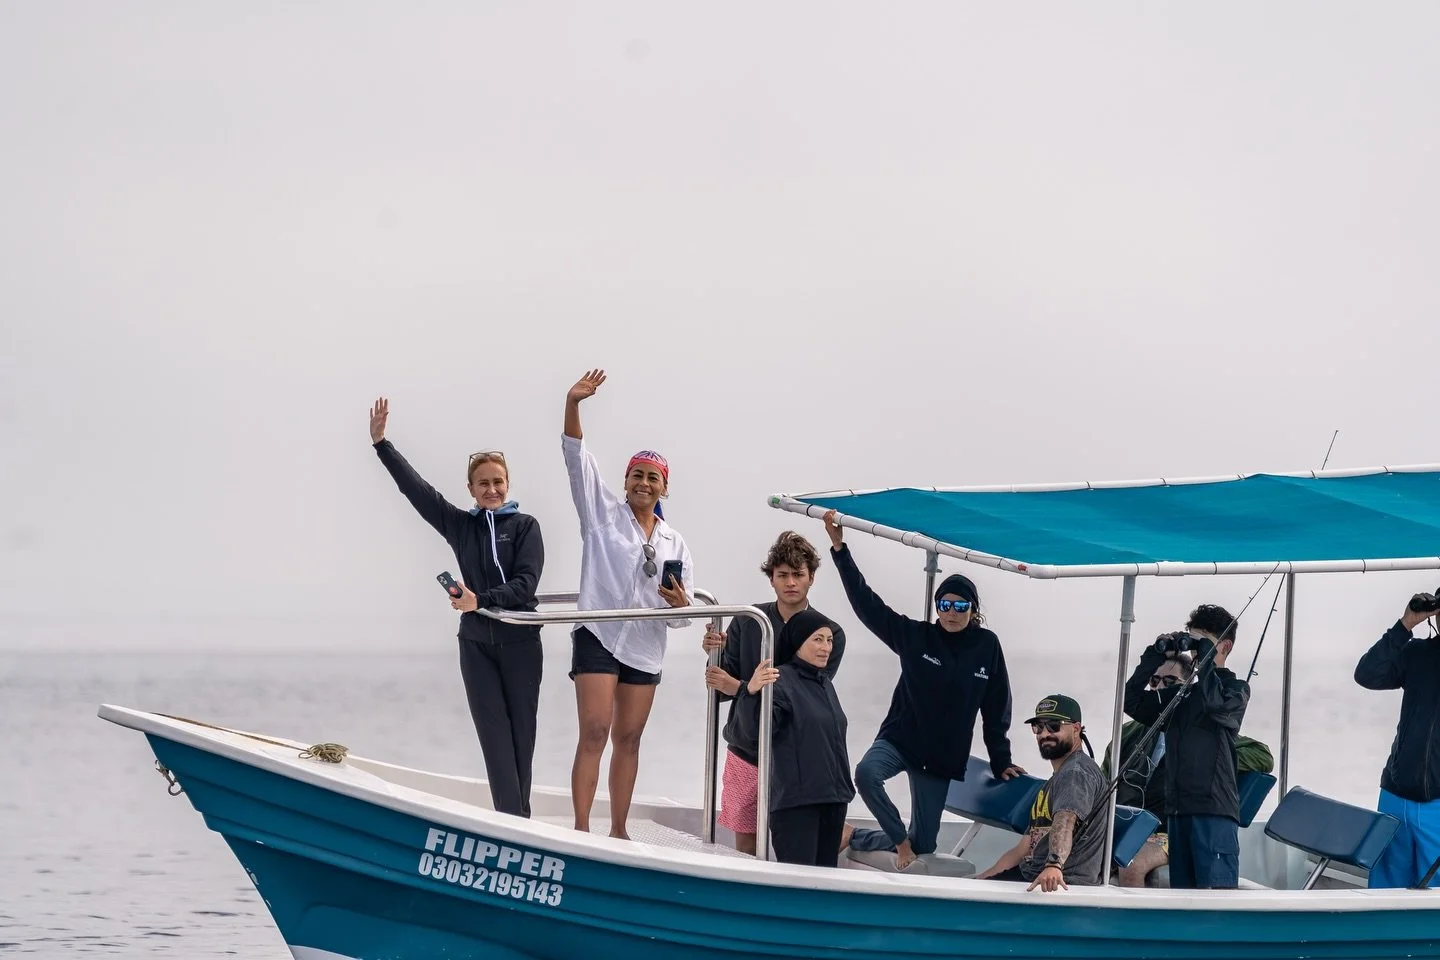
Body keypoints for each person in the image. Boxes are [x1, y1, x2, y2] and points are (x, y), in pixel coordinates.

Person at [368, 397, 544, 818]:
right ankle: (514, 822)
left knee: (522, 738)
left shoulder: (525, 527)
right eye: (483, 483)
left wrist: (480, 600)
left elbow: (526, 584)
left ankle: (521, 821)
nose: (492, 489)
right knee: (495, 739)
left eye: (498, 481)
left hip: (521, 644)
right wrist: (382, 445)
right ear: (471, 489)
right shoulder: (460, 526)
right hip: (477, 645)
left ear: (508, 483)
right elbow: (417, 491)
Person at [821, 510, 1024, 871]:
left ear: (973, 610)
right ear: (937, 607)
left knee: (926, 843)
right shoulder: (917, 637)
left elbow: (996, 709)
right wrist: (840, 549)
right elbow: (868, 605)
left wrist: (1001, 761)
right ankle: (899, 841)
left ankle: (853, 835)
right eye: (944, 604)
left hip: (941, 756)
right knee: (866, 774)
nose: (951, 612)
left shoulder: (987, 646)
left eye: (960, 606)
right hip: (901, 740)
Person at [561, 369, 694, 840]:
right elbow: (577, 461)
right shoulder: (600, 515)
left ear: (664, 488)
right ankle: (580, 828)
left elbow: (684, 615)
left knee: (629, 738)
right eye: (636, 474)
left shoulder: (675, 540)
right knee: (595, 731)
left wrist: (681, 605)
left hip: (643, 645)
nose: (643, 482)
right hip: (598, 634)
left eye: (652, 477)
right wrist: (573, 403)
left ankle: (618, 829)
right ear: (625, 480)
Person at [702, 532, 847, 855]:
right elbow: (722, 687)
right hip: (746, 747)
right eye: (782, 575)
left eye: (798, 574)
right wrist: (713, 653)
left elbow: (804, 692)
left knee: (794, 842)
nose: (791, 582)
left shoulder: (828, 634)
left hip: (794, 758)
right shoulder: (747, 620)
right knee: (745, 841)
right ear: (771, 579)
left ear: (811, 578)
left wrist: (740, 687)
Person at [1102, 653, 1275, 887]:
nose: (1159, 688)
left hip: (1171, 831)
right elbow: (1103, 783)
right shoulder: (1127, 734)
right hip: (1127, 827)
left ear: (1184, 688)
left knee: (1131, 862)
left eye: (1169, 683)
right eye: (1154, 682)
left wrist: (1205, 759)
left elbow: (1262, 755)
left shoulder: (1206, 731)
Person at [1123, 604, 1250, 890]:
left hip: (1214, 814)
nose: (1194, 652)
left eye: (1203, 644)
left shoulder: (1236, 690)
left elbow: (1216, 706)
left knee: (1214, 899)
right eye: (1192, 643)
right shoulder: (1181, 697)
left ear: (1225, 647)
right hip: (1178, 813)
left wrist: (1205, 662)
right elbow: (1132, 702)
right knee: (1181, 898)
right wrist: (1153, 656)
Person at [732, 609, 855, 867]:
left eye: (829, 640)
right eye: (817, 639)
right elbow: (754, 734)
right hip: (797, 805)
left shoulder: (824, 683)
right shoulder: (780, 679)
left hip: (833, 800)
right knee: (799, 884)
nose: (826, 647)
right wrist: (750, 691)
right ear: (798, 642)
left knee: (825, 884)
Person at [1354, 587, 1440, 889]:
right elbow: (1367, 674)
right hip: (1396, 794)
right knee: (1384, 892)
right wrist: (1405, 625)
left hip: (1438, 805)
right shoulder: (1417, 653)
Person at [975, 695, 1108, 890]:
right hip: (1031, 874)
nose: (1044, 734)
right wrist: (982, 879)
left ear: (1076, 729)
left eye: (1054, 726)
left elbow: (1066, 819)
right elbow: (1025, 846)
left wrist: (1054, 865)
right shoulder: (1057, 778)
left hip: (1062, 882)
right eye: (1038, 727)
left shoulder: (1075, 773)